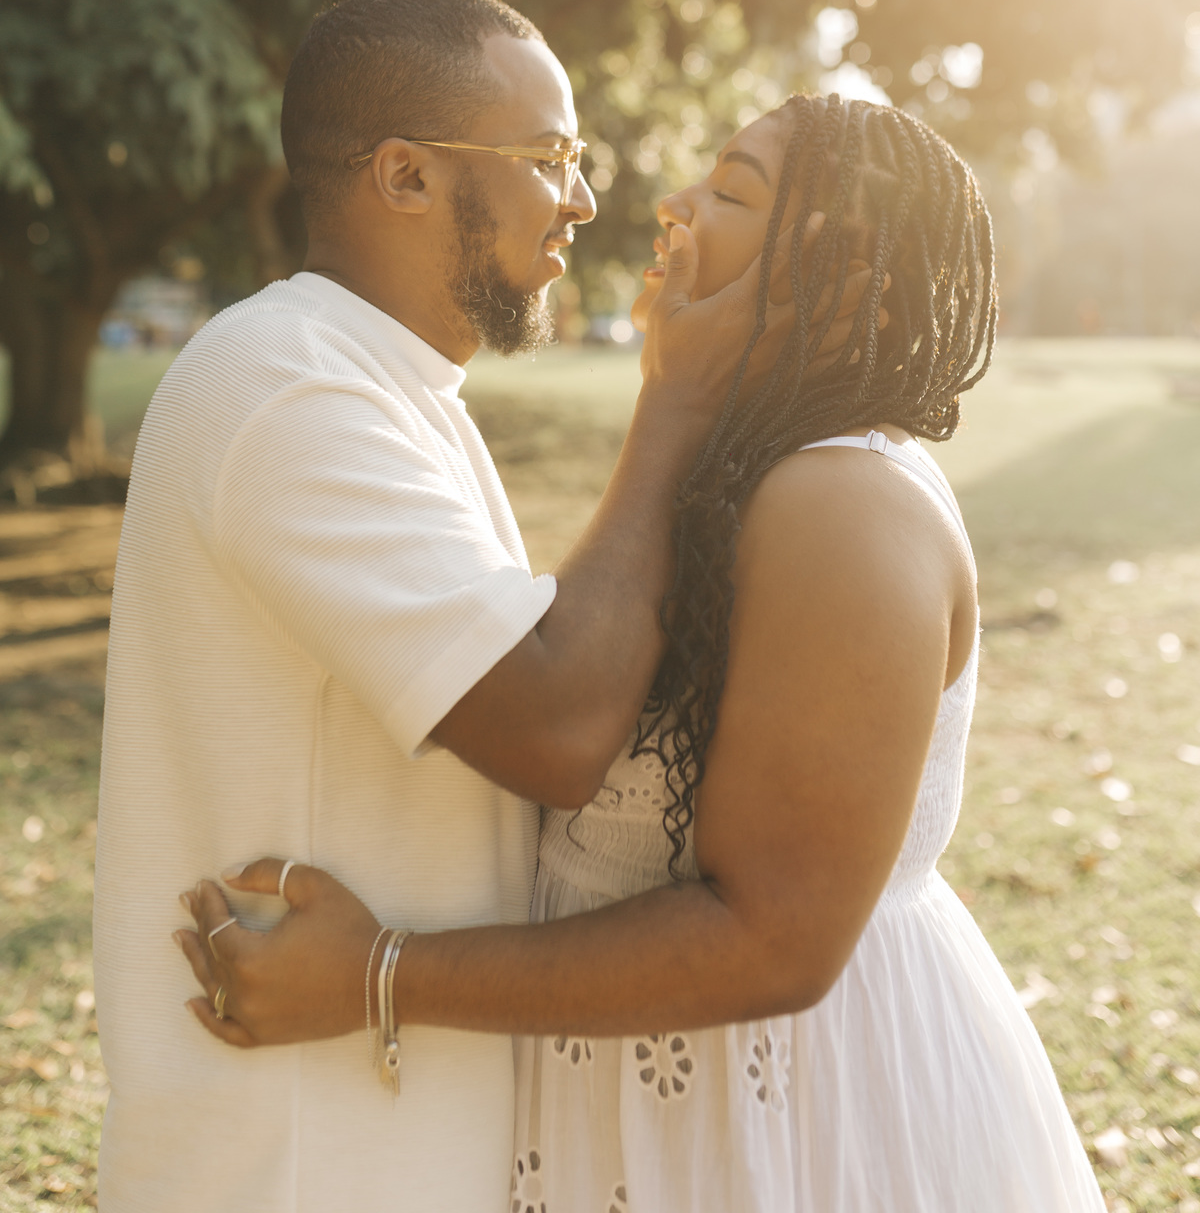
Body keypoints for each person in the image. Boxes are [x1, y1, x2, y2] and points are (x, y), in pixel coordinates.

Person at [180, 94, 1106, 1213]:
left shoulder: (844, 506)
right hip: (653, 1098)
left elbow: (772, 943)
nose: (672, 204)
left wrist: (380, 974)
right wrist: (674, 408)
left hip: (787, 1119)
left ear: (843, 274)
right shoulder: (742, 472)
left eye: (731, 192)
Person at [96, 0, 851, 1213]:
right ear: (405, 175)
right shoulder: (289, 390)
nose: (583, 199)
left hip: (370, 1133)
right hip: (295, 1161)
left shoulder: (385, 387)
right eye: (549, 158)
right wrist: (674, 403)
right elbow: (558, 727)